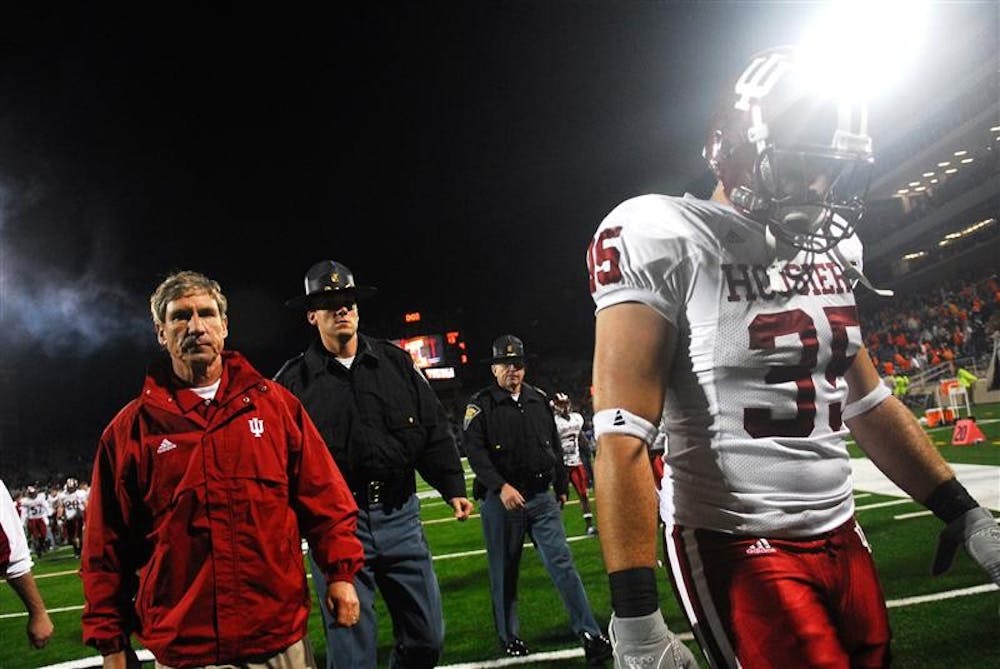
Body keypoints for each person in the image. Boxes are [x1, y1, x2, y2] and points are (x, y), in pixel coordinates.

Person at [587, 46, 1000, 669]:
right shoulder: (665, 233)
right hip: (737, 539)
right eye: (805, 164)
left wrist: (964, 512)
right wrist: (636, 616)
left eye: (830, 169)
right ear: (738, 152)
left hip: (842, 530)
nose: (820, 186)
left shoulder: (837, 248)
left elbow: (868, 401)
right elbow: (622, 436)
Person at [81, 270, 365, 669]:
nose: (195, 326)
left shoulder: (276, 407)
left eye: (206, 314)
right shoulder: (129, 432)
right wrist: (111, 642)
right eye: (180, 317)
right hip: (186, 648)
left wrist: (340, 574)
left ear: (225, 326)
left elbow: (326, 500)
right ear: (161, 333)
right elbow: (104, 548)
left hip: (276, 637)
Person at [275, 259, 473, 669]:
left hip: (402, 517)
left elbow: (432, 426)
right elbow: (279, 462)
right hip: (337, 526)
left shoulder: (396, 363)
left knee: (427, 640)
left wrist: (452, 485)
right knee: (352, 656)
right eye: (329, 303)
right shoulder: (291, 384)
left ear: (359, 309)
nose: (342, 308)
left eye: (348, 300)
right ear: (312, 315)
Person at [462, 334, 612, 664]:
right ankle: (509, 635)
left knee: (563, 564)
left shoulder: (537, 400)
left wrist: (560, 486)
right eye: (506, 364)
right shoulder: (481, 405)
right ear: (494, 368)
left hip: (541, 498)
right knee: (505, 571)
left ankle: (588, 631)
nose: (512, 370)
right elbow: (475, 453)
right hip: (502, 502)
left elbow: (553, 448)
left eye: (518, 364)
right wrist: (501, 487)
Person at [1, 478, 54, 649]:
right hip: (31, 521)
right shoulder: (26, 502)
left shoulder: (38, 500)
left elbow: (7, 548)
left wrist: (38, 613)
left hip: (36, 519)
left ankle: (43, 547)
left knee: (39, 538)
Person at [552, 392, 597, 535]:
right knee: (561, 497)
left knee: (583, 494)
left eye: (565, 403)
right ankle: (555, 528)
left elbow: (581, 438)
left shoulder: (577, 419)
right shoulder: (553, 422)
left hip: (576, 462)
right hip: (562, 466)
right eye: (561, 404)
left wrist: (590, 452)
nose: (564, 407)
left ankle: (589, 526)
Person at [20, 485, 51, 556]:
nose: (32, 495)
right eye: (31, 493)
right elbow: (24, 513)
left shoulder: (40, 498)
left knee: (43, 535)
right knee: (35, 536)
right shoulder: (25, 501)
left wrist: (49, 514)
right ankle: (38, 549)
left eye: (33, 493)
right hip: (32, 520)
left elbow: (46, 506)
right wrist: (23, 522)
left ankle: (41, 545)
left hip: (40, 518)